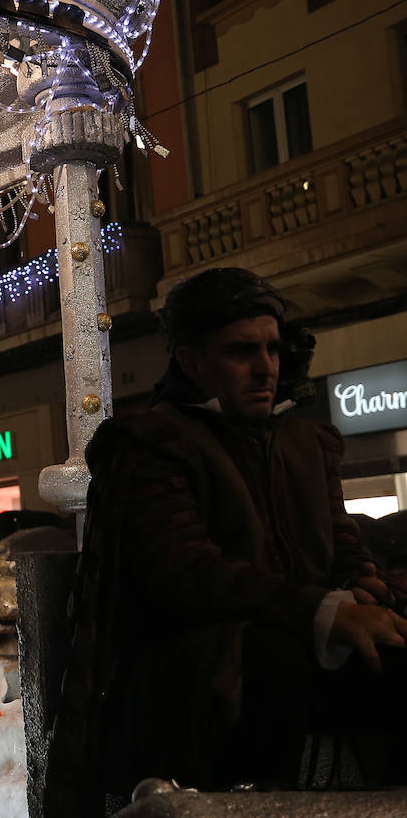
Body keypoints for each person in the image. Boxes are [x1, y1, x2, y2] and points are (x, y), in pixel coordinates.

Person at [47, 267, 407, 812]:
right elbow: (187, 573)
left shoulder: (304, 441)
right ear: (192, 361)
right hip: (197, 682)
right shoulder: (150, 443)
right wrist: (323, 612)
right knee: (277, 659)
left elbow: (340, 536)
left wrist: (364, 584)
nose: (265, 368)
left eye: (271, 349)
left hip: (294, 651)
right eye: (241, 351)